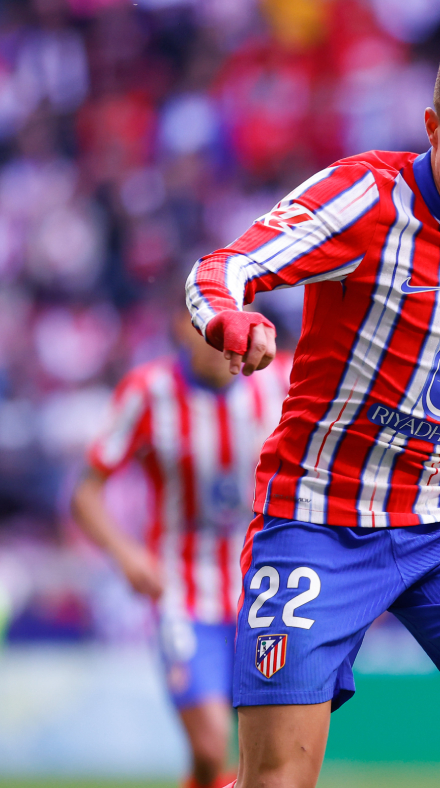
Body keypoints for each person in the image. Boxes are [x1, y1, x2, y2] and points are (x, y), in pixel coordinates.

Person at [183, 31, 440, 788]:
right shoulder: (364, 197)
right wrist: (227, 317)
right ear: (433, 126)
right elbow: (224, 267)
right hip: (315, 516)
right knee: (276, 779)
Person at [72, 307, 288, 788]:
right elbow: (84, 493)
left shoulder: (278, 383)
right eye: (210, 332)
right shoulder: (148, 392)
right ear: (183, 329)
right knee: (210, 748)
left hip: (264, 588)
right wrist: (127, 555)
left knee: (267, 750)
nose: (221, 345)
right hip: (182, 591)